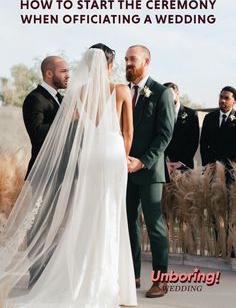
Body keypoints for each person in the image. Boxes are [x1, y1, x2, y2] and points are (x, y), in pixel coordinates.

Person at [0, 45, 137, 308]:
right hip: (111, 155)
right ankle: (110, 283)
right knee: (110, 214)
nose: (68, 74)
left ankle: (84, 278)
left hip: (87, 158)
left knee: (86, 217)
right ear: (109, 65)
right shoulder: (120, 90)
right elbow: (127, 132)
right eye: (63, 70)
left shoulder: (76, 94)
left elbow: (74, 134)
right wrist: (124, 158)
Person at [125, 45, 175, 298]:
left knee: (155, 225)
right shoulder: (124, 91)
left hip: (149, 171)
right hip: (124, 170)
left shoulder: (161, 92)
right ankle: (132, 275)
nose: (128, 63)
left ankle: (161, 279)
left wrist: (142, 162)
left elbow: (165, 135)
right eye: (125, 59)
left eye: (132, 59)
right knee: (128, 223)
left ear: (147, 61)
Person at [200, 85, 236, 257]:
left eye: (226, 98)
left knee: (231, 211)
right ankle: (218, 245)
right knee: (215, 211)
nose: (222, 100)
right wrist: (209, 165)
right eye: (221, 97)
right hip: (213, 172)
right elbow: (203, 144)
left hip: (231, 174)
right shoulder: (209, 118)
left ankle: (232, 247)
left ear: (234, 101)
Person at [23, 55, 69, 178]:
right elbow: (37, 133)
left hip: (62, 172)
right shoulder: (35, 98)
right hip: (43, 173)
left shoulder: (61, 99)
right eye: (63, 71)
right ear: (49, 73)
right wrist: (67, 118)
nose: (68, 75)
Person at [163, 82, 199, 170]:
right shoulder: (160, 114)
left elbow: (193, 142)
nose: (167, 98)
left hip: (184, 165)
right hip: (164, 165)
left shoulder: (191, 115)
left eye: (170, 94)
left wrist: (182, 162)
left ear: (177, 93)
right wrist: (164, 162)